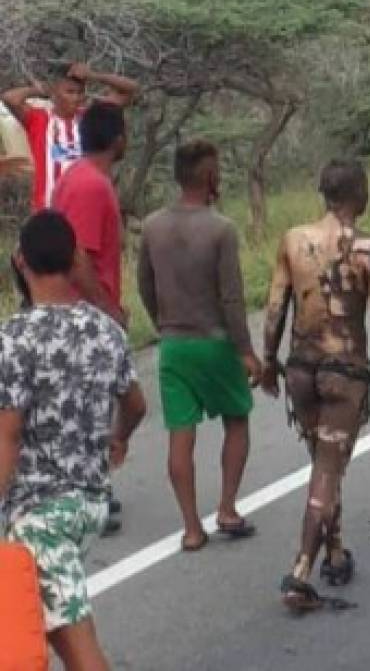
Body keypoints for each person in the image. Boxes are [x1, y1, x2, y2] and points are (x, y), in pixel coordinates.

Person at [262, 159, 370, 611]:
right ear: (359, 194)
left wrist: (267, 362)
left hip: (300, 369)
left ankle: (335, 553)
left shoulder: (293, 240)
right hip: (343, 373)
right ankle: (299, 572)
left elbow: (275, 306)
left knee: (323, 461)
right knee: (328, 470)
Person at [1, 210, 147, 671]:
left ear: (20, 262)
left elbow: (8, 435)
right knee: (49, 633)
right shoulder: (107, 331)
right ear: (75, 258)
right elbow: (136, 404)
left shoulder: (14, 338)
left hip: (40, 517)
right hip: (89, 504)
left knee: (77, 647)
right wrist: (117, 438)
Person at [138, 141, 263, 552]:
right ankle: (227, 508)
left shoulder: (152, 226)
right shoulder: (221, 229)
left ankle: (192, 528)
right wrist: (245, 350)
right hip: (214, 342)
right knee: (237, 419)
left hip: (173, 345)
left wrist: (162, 321)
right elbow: (231, 298)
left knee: (180, 435)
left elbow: (144, 284)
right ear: (209, 176)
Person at [0, 62, 138, 211]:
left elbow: (130, 90)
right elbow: (9, 99)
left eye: (80, 93)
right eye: (70, 92)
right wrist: (37, 90)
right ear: (55, 92)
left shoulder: (90, 118)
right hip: (49, 210)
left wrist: (93, 76)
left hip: (84, 208)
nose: (76, 98)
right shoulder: (39, 119)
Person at [51, 102, 126, 328]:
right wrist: (110, 312)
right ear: (118, 140)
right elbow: (78, 257)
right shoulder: (90, 184)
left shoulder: (79, 175)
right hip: (85, 321)